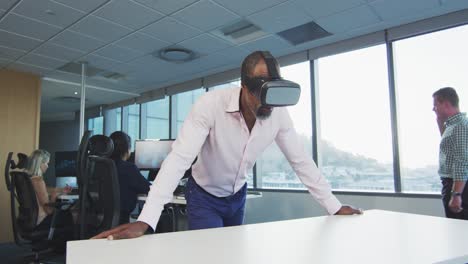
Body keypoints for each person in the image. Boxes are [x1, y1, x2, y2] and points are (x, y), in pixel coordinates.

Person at [93, 51, 362, 240]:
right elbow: (178, 160)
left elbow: (300, 161)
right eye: (261, 93)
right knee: (210, 257)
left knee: (232, 255)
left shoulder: (277, 114)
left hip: (237, 197)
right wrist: (147, 219)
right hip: (204, 197)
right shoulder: (210, 106)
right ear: (244, 87)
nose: (268, 103)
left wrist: (334, 206)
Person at [27, 149, 74, 251]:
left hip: (31, 220)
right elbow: (49, 210)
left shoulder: (29, 179)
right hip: (41, 222)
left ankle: (56, 246)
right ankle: (61, 249)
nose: (47, 166)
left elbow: (43, 190)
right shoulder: (39, 181)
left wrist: (60, 190)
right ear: (41, 164)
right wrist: (54, 195)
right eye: (47, 163)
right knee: (69, 215)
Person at [432, 87, 468, 219]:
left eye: (435, 105)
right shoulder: (453, 126)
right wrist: (440, 123)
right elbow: (449, 149)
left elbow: (462, 161)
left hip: (458, 186)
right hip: (453, 184)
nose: (433, 109)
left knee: (459, 230)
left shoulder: (459, 126)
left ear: (446, 104)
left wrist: (456, 195)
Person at [109, 131, 151, 224]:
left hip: (100, 219)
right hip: (120, 221)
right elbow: (148, 188)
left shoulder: (101, 166)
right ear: (127, 149)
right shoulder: (128, 168)